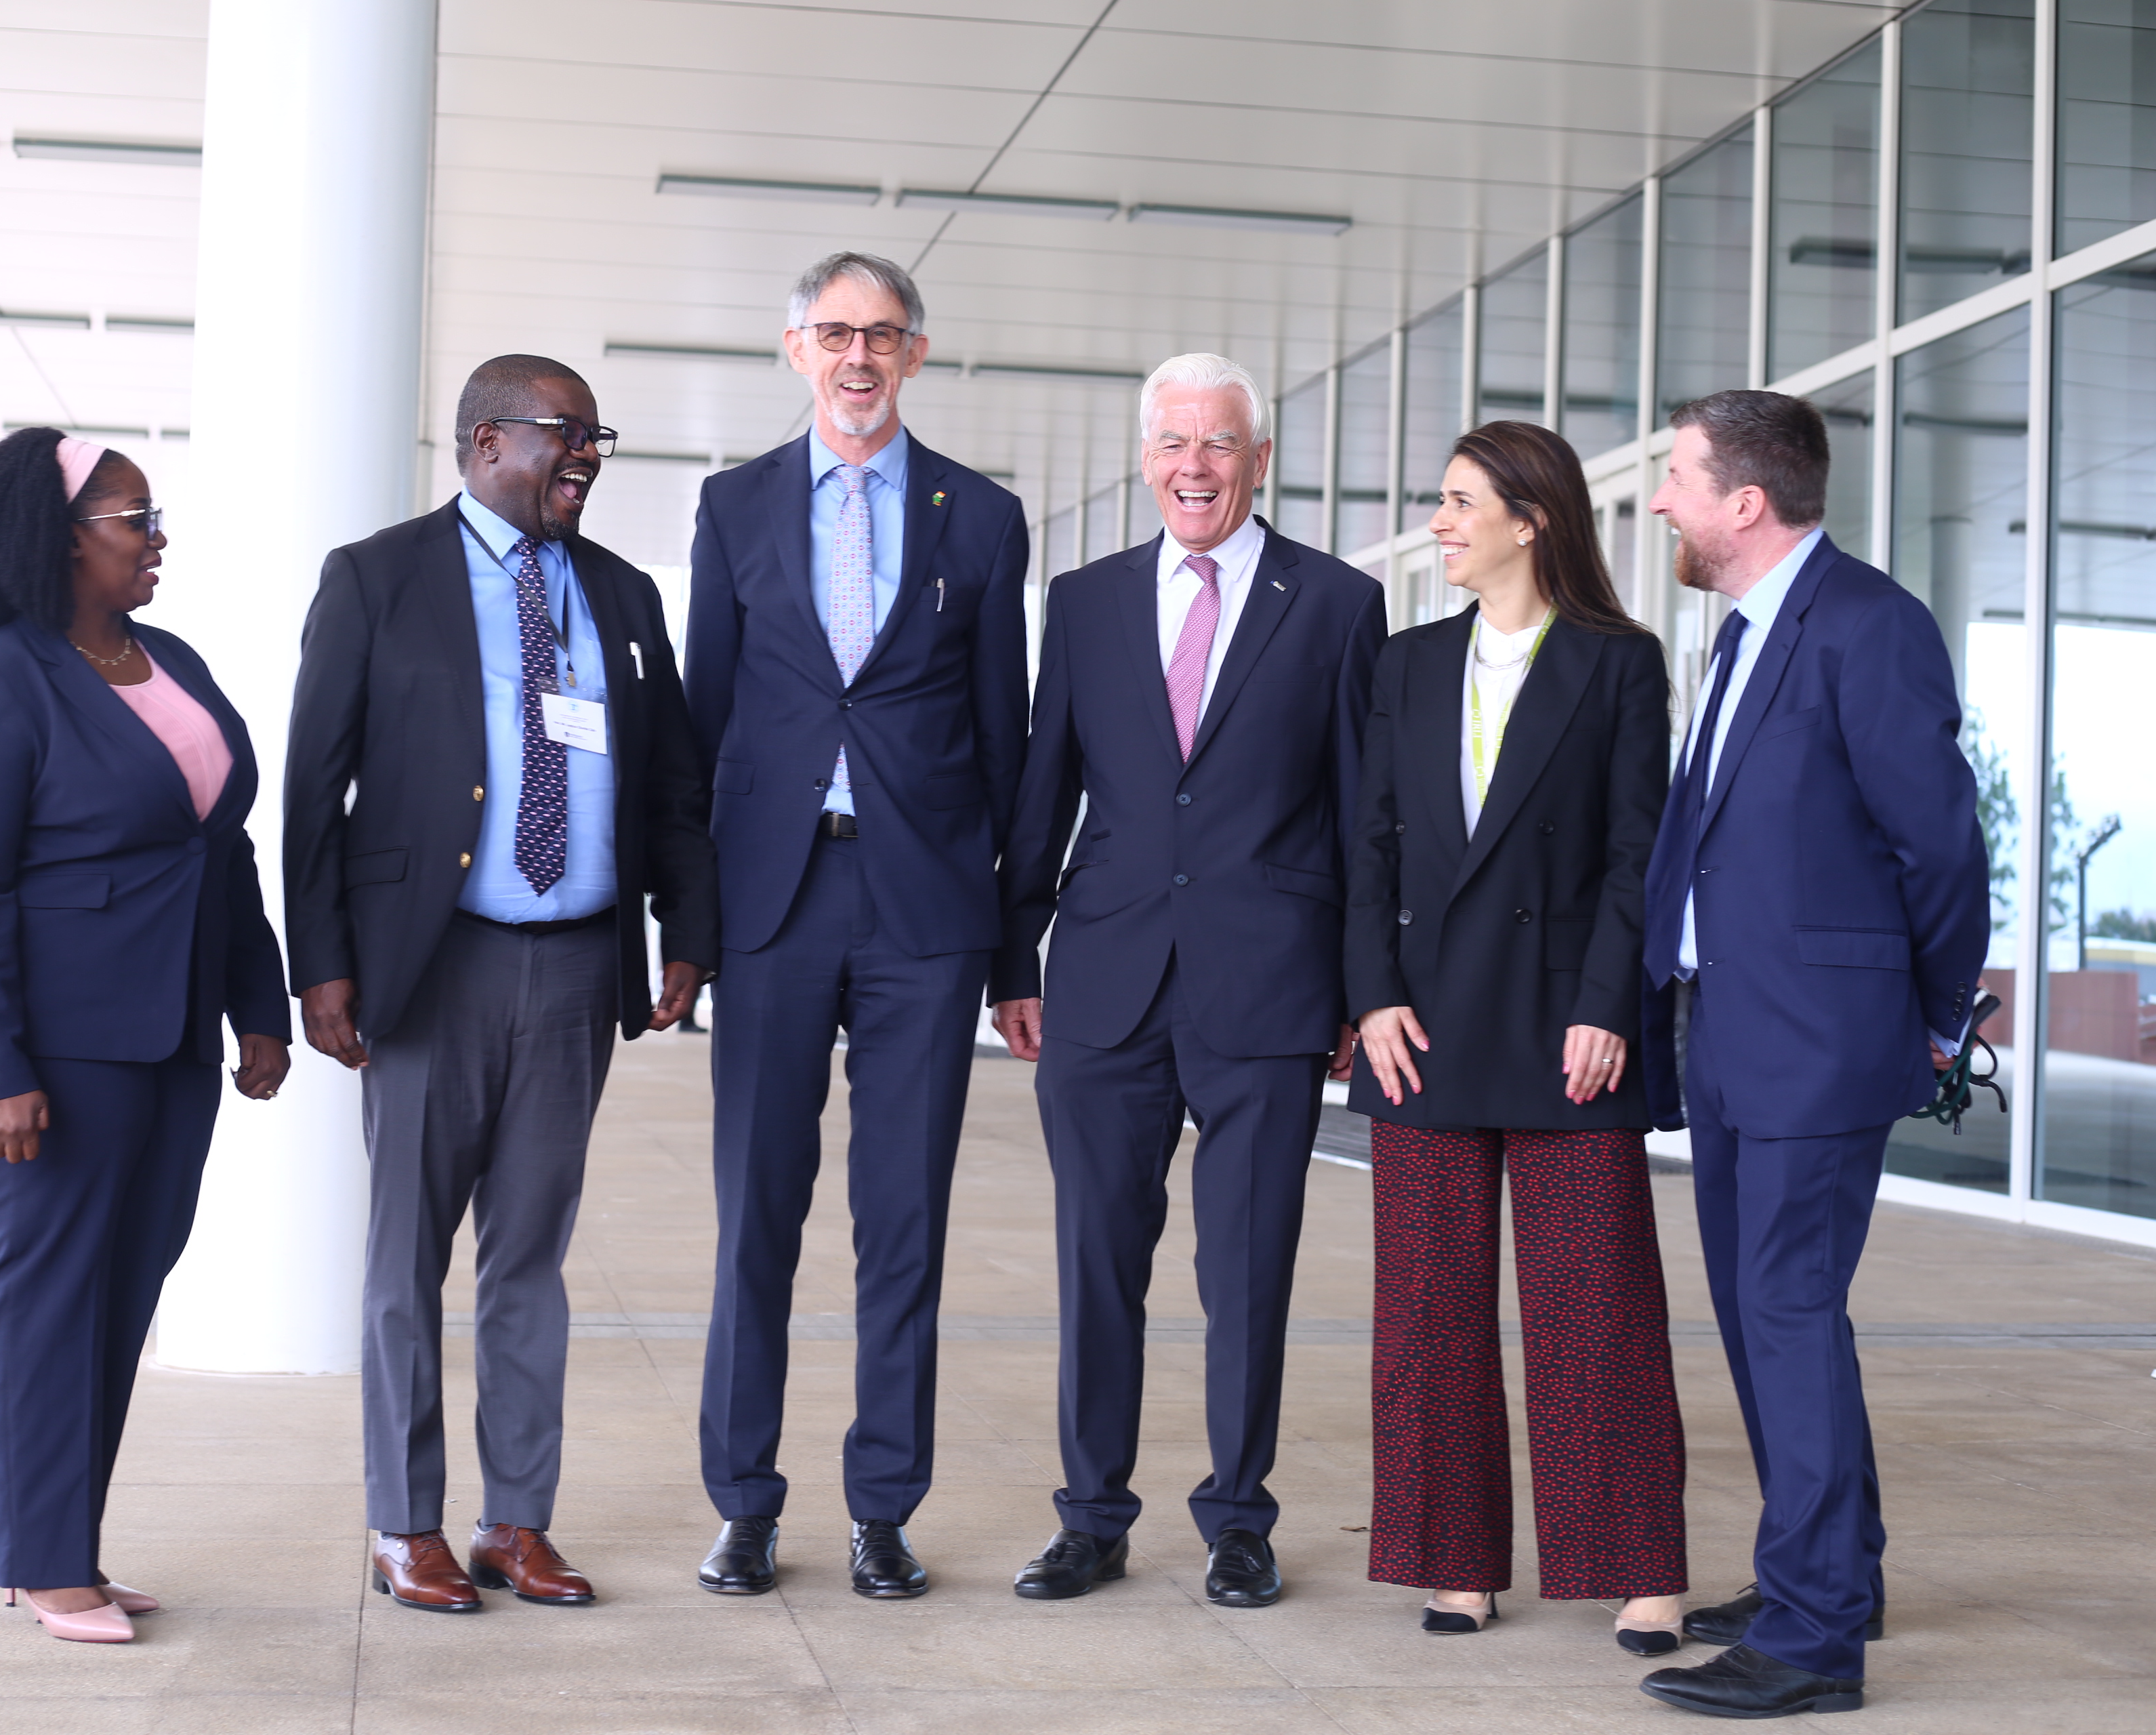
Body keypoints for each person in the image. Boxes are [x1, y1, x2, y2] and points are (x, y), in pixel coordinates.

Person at [283, 356, 719, 1614]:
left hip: (580, 966)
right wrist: (322, 963)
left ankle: (514, 1522)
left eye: (598, 438)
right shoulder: (378, 577)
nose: (585, 456)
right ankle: (402, 1524)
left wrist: (685, 930)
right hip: (434, 966)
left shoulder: (626, 595)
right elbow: (317, 788)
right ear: (485, 441)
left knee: (531, 1258)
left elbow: (673, 784)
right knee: (405, 1258)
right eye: (563, 434)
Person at [992, 352, 1385, 1610]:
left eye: (1219, 444)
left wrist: (1356, 988)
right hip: (1103, 981)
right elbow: (1045, 789)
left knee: (1248, 1272)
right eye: (1173, 444)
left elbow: (1362, 816)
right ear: (1146, 458)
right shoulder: (1090, 599)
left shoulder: (1334, 602)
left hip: (1270, 988)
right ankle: (1092, 1518)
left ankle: (1238, 1522)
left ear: (1258, 460)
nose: (1195, 466)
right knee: (1097, 1260)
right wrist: (1015, 959)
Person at [0, 427, 293, 1644]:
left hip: (167, 1023)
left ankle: (66, 1542)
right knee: (50, 1290)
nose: (156, 534)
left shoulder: (166, 659)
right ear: (62, 535)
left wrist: (258, 1005)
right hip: (45, 1043)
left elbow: (217, 847)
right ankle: (40, 1560)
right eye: (135, 515)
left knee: (123, 1289)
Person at [1634, 391, 1988, 1719]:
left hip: (1819, 1044)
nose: (1662, 499)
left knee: (1784, 1315)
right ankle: (1837, 1569)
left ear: (1745, 501)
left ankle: (1815, 1634)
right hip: (1729, 1036)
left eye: (1677, 477)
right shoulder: (1741, 637)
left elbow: (1942, 848)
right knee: (1767, 1316)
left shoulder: (1868, 625)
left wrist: (1933, 1013)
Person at [684, 251, 1030, 1599]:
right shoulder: (733, 507)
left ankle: (884, 1502)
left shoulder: (983, 519)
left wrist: (1011, 950)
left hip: (925, 913)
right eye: (834, 332)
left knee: (905, 1220)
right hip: (774, 904)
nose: (858, 356)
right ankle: (747, 1501)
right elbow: (705, 728)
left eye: (883, 335)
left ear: (918, 355)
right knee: (754, 1216)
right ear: (794, 348)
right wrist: (696, 931)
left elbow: (1005, 738)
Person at [1344, 421, 1684, 1651]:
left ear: (1529, 519)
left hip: (1564, 1026)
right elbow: (1367, 844)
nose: (1439, 522)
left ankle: (1640, 1566)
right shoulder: (1409, 663)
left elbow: (1639, 855)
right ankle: (1457, 1562)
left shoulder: (1618, 664)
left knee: (1597, 1309)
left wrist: (1607, 1007)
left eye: (1458, 501)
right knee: (1427, 1313)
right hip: (1421, 1026)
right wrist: (1371, 995)